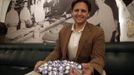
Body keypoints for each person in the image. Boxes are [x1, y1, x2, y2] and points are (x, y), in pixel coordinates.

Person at [34, 0, 105, 75]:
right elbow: (57, 51)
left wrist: (91, 69)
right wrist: (46, 61)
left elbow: (98, 57)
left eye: (83, 11)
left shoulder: (97, 32)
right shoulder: (63, 30)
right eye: (76, 10)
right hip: (64, 71)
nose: (79, 13)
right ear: (72, 12)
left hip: (83, 71)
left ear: (88, 14)